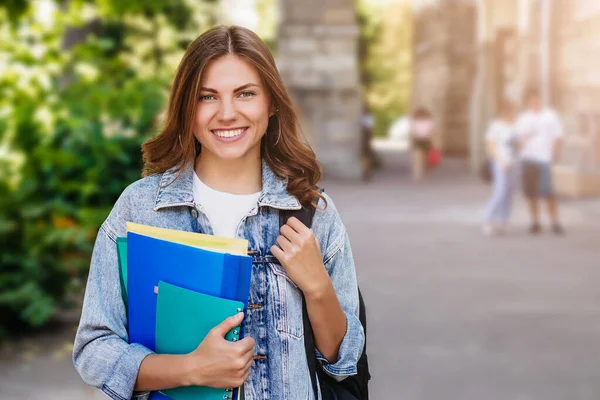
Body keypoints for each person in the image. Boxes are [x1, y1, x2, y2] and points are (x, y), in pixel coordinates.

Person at [72, 26, 364, 400]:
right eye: (207, 97)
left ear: (271, 103)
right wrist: (191, 368)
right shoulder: (141, 209)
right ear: (187, 108)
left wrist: (318, 287)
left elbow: (344, 359)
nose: (227, 113)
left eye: (245, 94)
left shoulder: (311, 212)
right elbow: (94, 349)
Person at [515, 88, 565, 235]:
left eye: (536, 99)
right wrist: (522, 141)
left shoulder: (550, 116)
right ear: (527, 102)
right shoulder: (523, 118)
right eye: (530, 100)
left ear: (540, 99)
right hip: (527, 158)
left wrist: (555, 154)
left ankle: (555, 222)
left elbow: (559, 137)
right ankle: (535, 222)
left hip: (544, 158)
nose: (534, 102)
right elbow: (518, 140)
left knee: (548, 192)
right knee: (531, 193)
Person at [482, 101, 519, 235]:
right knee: (500, 192)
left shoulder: (514, 127)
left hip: (514, 163)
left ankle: (504, 221)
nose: (512, 114)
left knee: (509, 193)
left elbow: (517, 145)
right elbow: (490, 147)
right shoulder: (495, 126)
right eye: (510, 111)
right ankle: (487, 219)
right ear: (504, 112)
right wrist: (501, 161)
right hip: (501, 164)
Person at [409, 107, 436, 181]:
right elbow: (431, 132)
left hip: (420, 140)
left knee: (420, 158)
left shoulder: (416, 122)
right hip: (424, 140)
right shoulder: (428, 122)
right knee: (418, 157)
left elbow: (412, 132)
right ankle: (418, 173)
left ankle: (418, 173)